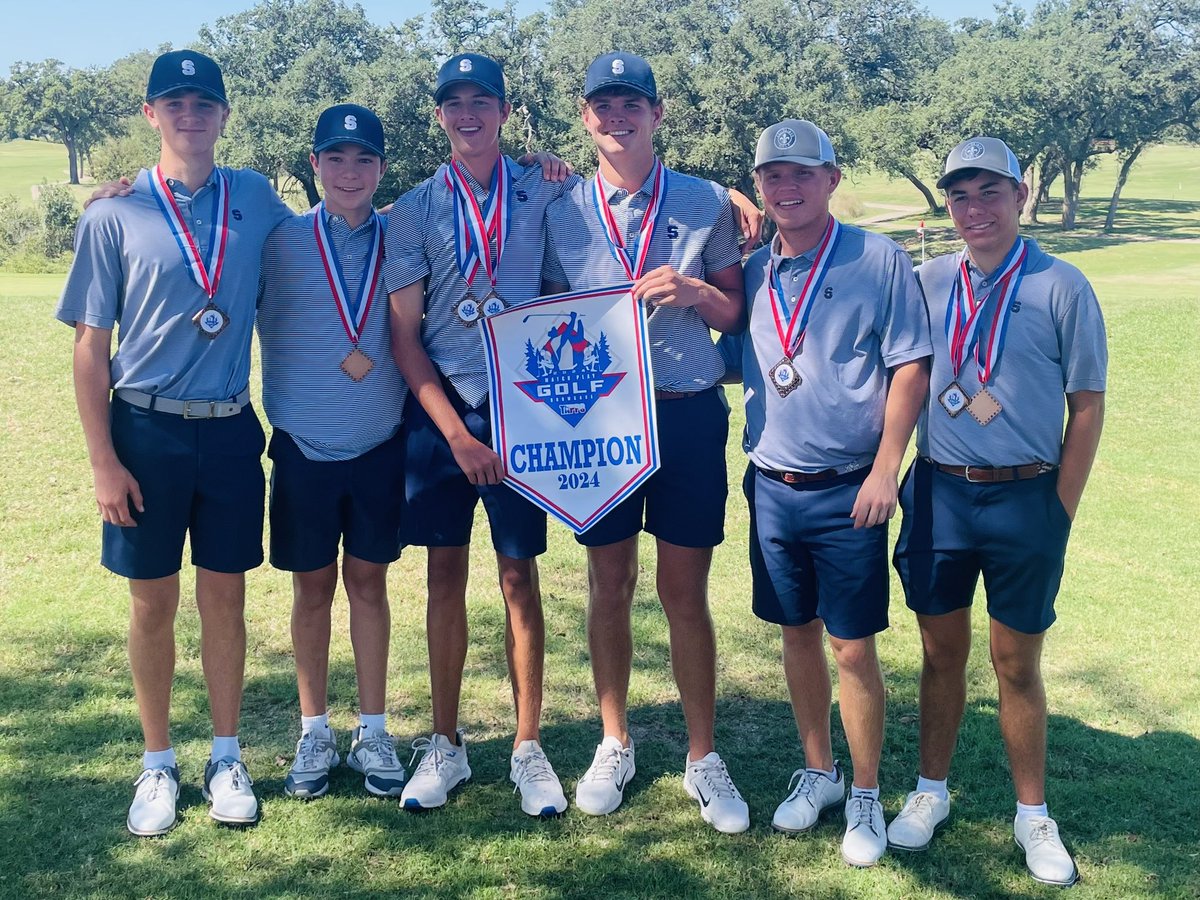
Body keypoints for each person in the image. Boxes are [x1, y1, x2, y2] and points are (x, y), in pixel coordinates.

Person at [55, 50, 293, 835]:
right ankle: (157, 763)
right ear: (151, 115)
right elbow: (91, 345)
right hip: (144, 430)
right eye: (174, 103)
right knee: (152, 603)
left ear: (225, 115)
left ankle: (226, 755)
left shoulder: (256, 197)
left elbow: (334, 234)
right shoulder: (112, 213)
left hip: (228, 431)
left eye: (205, 103)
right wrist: (102, 459)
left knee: (226, 600)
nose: (190, 116)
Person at [541, 52, 750, 834]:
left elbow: (735, 314)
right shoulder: (559, 205)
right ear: (585, 116)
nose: (617, 117)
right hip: (600, 419)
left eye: (632, 104)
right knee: (610, 583)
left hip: (687, 411)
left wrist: (694, 289)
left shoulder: (703, 202)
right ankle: (614, 739)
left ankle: (703, 755)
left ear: (658, 114)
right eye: (603, 105)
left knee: (683, 590)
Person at [889, 137, 1106, 887]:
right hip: (940, 491)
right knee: (940, 654)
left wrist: (1060, 511)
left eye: (990, 192)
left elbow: (1087, 407)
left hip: (1025, 495)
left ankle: (1032, 814)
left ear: (1021, 195)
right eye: (960, 195)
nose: (974, 209)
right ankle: (929, 792)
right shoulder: (924, 281)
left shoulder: (1061, 285)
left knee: (1017, 663)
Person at [385, 53, 575, 817]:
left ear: (504, 111)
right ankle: (446, 744)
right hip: (441, 416)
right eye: (454, 102)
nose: (469, 114)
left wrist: (732, 195)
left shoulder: (547, 188)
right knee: (443, 577)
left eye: (482, 101)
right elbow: (404, 337)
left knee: (519, 577)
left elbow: (580, 277)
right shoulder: (411, 209)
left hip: (522, 413)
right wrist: (456, 437)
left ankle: (528, 746)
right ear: (439, 115)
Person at [737, 120, 931, 865]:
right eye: (772, 177)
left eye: (801, 175)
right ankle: (818, 772)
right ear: (761, 186)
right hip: (772, 484)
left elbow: (910, 365)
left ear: (832, 178)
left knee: (853, 648)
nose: (786, 189)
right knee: (796, 635)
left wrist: (887, 468)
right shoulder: (755, 270)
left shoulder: (877, 258)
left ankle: (865, 794)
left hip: (851, 489)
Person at [256, 104, 409, 799]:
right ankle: (315, 728)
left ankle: (373, 728)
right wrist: (122, 189)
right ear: (313, 165)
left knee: (369, 586)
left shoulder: (403, 234)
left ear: (381, 168)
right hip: (301, 447)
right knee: (312, 589)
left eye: (365, 160)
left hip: (379, 442)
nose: (350, 173)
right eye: (336, 158)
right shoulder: (278, 237)